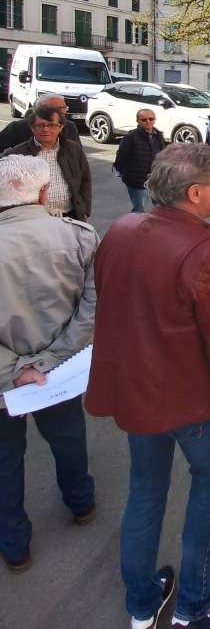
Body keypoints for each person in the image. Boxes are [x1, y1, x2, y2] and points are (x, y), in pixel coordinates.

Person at [85, 144, 210, 629]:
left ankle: (142, 602)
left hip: (139, 396)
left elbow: (113, 306)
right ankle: (195, 608)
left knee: (145, 492)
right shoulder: (207, 251)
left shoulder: (120, 230)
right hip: (194, 406)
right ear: (196, 192)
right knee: (209, 494)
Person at [0, 154, 99, 573]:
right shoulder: (79, 236)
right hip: (59, 376)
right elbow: (95, 306)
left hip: (6, 383)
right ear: (44, 193)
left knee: (4, 459)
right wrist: (51, 361)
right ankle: (81, 503)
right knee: (69, 438)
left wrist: (15, 369)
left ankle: (14, 544)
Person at [1, 103, 92, 220]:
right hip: (32, 219)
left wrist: (85, 211)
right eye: (40, 125)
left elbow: (85, 180)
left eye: (51, 125)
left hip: (70, 216)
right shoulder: (17, 154)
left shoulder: (74, 149)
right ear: (32, 128)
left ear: (61, 127)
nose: (45, 129)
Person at [113, 109, 167, 213]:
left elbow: (163, 154)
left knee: (160, 207)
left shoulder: (158, 135)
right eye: (144, 119)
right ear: (138, 121)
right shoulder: (131, 137)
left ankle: (157, 227)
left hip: (155, 180)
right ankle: (137, 228)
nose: (148, 122)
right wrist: (122, 171)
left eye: (151, 119)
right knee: (139, 210)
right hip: (137, 180)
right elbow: (121, 157)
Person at [0, 92, 80, 151]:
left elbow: (78, 154)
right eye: (58, 109)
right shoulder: (18, 127)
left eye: (64, 108)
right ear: (42, 110)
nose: (63, 112)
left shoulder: (70, 127)